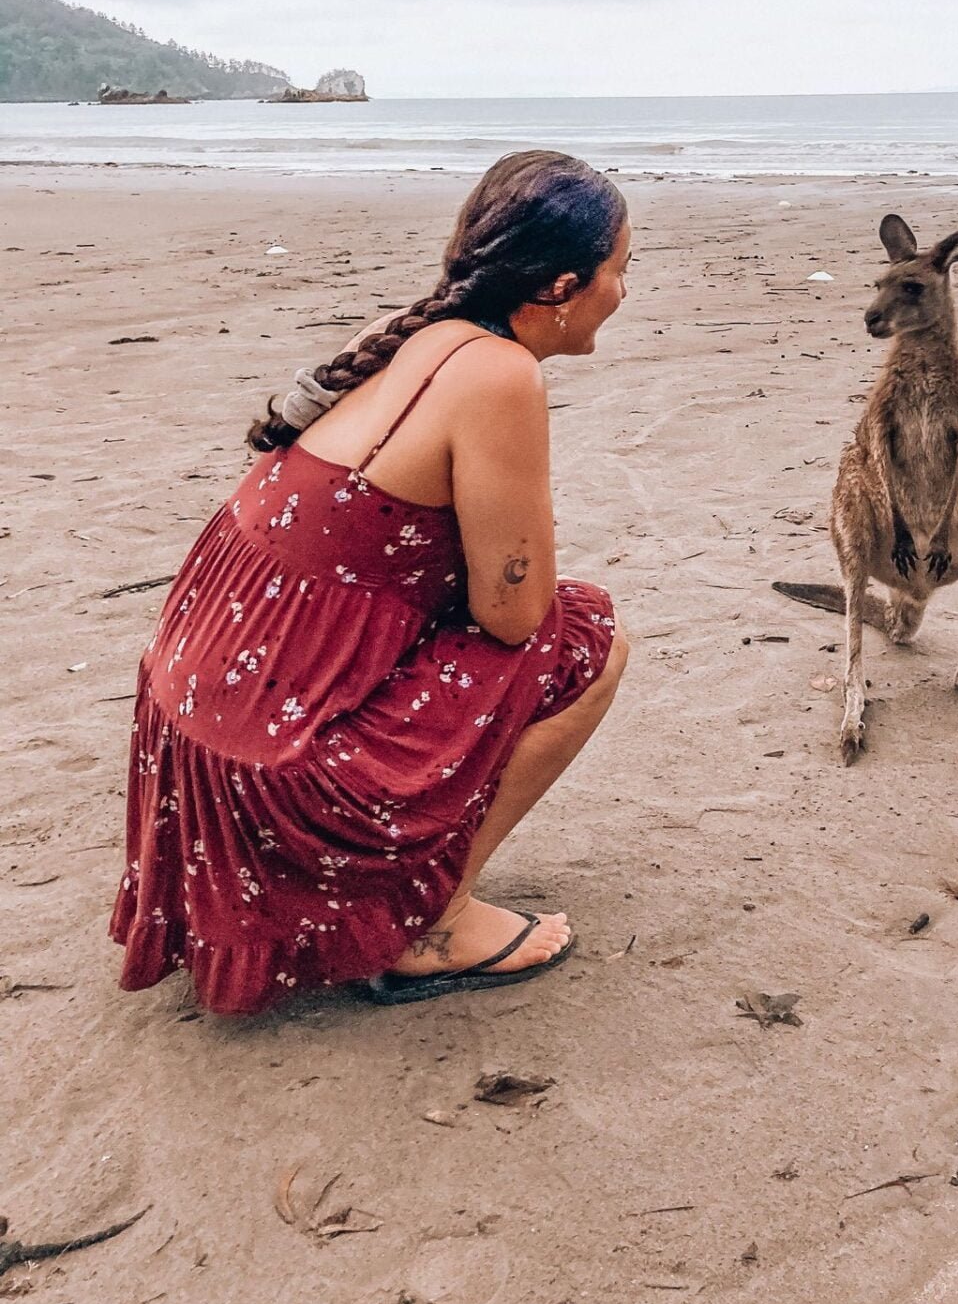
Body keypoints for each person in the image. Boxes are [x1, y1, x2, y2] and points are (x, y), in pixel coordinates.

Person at [110, 151, 631, 1013]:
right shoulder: (500, 373)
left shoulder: (421, 332)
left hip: (195, 723)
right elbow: (515, 616)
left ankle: (403, 898)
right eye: (621, 271)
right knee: (585, 635)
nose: (624, 292)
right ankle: (432, 925)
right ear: (562, 285)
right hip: (269, 765)